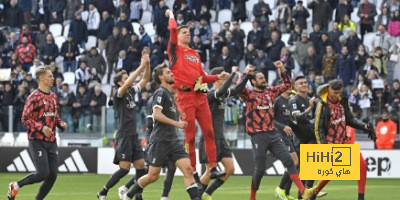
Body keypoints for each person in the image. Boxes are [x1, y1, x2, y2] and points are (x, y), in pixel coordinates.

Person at [165, 9, 228, 183]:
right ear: (177, 35)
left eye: (189, 32)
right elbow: (172, 29)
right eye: (184, 32)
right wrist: (171, 15)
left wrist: (217, 77)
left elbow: (202, 77)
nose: (188, 34)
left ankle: (213, 167)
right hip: (185, 98)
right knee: (190, 136)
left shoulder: (195, 54)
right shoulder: (175, 50)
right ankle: (193, 170)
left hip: (200, 97)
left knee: (209, 131)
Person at [239, 61, 315, 200]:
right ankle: (252, 197)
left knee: (290, 162)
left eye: (264, 78)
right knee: (260, 170)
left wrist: (282, 68)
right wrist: (245, 74)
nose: (264, 80)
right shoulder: (248, 94)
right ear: (253, 81)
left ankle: (304, 191)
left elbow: (287, 85)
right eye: (261, 78)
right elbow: (238, 88)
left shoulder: (270, 92)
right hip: (258, 136)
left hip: (273, 134)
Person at [122, 64, 200, 200]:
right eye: (168, 72)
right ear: (161, 77)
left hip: (173, 140)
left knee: (188, 170)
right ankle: (128, 195)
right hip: (160, 140)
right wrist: (177, 123)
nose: (172, 74)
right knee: (153, 176)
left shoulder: (170, 95)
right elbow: (157, 115)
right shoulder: (160, 93)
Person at [7, 66, 68, 200]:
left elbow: (55, 116)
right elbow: (25, 117)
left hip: (51, 141)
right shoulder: (33, 97)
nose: (53, 78)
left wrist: (61, 123)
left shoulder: (53, 96)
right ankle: (15, 185)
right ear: (41, 78)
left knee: (52, 175)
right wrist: (41, 128)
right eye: (50, 76)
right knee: (42, 173)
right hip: (37, 140)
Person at [311, 79, 377, 200]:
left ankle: (360, 197)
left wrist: (364, 127)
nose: (337, 95)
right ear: (329, 89)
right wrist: (323, 147)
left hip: (344, 141)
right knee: (331, 173)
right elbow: (318, 128)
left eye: (340, 92)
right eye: (335, 92)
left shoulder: (343, 101)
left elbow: (350, 119)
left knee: (362, 165)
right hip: (330, 143)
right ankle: (312, 194)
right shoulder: (322, 105)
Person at [97, 51, 150, 200]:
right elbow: (128, 83)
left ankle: (137, 196)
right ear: (120, 82)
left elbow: (145, 79)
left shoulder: (131, 92)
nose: (129, 81)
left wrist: (147, 64)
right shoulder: (118, 94)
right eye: (126, 78)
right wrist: (141, 66)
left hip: (133, 135)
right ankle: (103, 191)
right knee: (124, 169)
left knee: (141, 168)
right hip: (124, 135)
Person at [199, 66, 253, 200]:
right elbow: (222, 89)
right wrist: (233, 73)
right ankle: (197, 197)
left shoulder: (223, 94)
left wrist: (246, 75)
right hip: (209, 138)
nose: (227, 78)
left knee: (230, 169)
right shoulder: (209, 93)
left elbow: (237, 89)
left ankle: (207, 193)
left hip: (220, 138)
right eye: (224, 76)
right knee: (208, 172)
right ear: (218, 78)